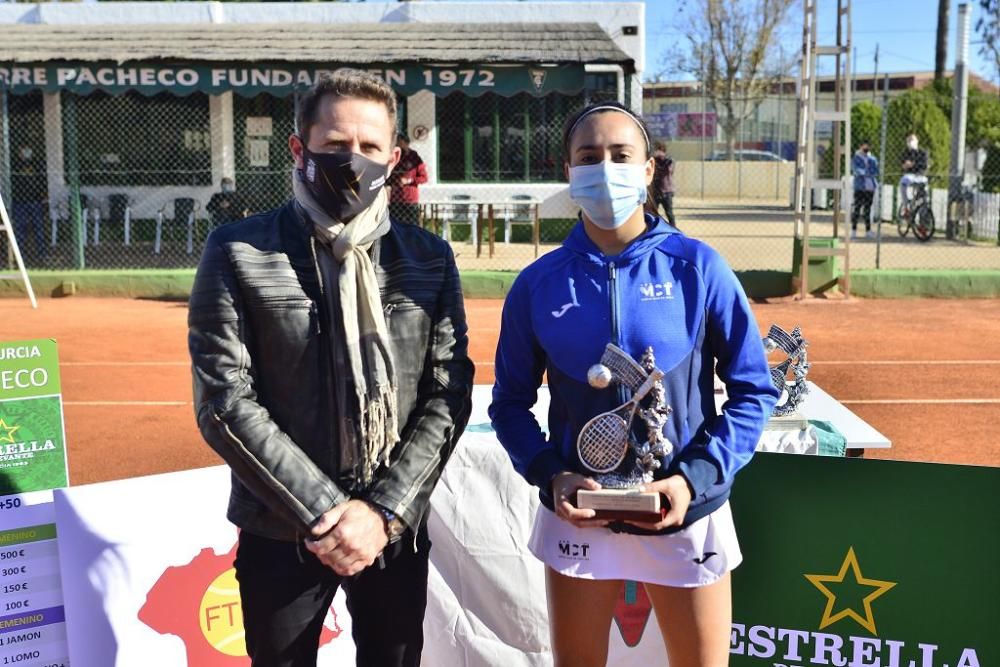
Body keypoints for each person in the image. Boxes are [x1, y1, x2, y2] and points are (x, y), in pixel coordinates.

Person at [188, 70, 474, 667]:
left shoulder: (427, 259)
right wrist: (325, 512)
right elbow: (224, 400)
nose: (354, 161)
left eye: (370, 148)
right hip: (281, 528)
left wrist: (383, 513)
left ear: (394, 159)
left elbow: (448, 392)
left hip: (392, 532)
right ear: (300, 148)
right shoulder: (239, 250)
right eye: (335, 145)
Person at [489, 101, 779, 667]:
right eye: (588, 156)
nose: (605, 169)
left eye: (622, 156)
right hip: (580, 517)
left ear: (649, 169)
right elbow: (509, 406)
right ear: (568, 172)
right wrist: (553, 476)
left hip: (684, 511)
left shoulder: (698, 267)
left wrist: (693, 482)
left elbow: (753, 391)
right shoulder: (537, 284)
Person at [10, 145, 48, 264]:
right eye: (23, 149)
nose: (26, 152)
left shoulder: (37, 164)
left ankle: (41, 253)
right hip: (19, 201)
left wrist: (44, 196)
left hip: (35, 200)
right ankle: (19, 254)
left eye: (27, 149)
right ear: (19, 151)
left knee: (39, 227)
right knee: (19, 228)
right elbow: (12, 182)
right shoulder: (14, 164)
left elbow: (42, 180)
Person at [387, 133, 427, 226]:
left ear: (406, 143)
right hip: (395, 199)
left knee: (412, 225)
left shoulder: (414, 158)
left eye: (399, 142)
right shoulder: (394, 156)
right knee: (394, 225)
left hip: (410, 200)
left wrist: (409, 180)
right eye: (396, 143)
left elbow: (424, 178)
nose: (397, 145)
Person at [851, 140, 878, 239]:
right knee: (857, 208)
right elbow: (856, 170)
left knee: (867, 209)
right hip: (860, 187)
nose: (866, 148)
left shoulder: (873, 158)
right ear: (861, 146)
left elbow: (875, 171)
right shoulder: (856, 157)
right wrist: (866, 173)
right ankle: (853, 230)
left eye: (868, 146)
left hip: (870, 187)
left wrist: (866, 173)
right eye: (865, 146)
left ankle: (868, 231)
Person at [899, 133, 929, 216]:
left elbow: (924, 165)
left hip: (921, 176)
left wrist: (912, 164)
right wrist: (908, 165)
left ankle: (924, 216)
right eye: (908, 140)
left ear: (917, 141)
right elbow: (903, 165)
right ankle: (906, 207)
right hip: (910, 176)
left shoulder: (923, 152)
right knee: (903, 182)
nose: (910, 142)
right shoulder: (905, 152)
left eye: (912, 140)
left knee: (924, 195)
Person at [650, 141, 676, 227]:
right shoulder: (653, 161)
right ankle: (653, 227)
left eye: (658, 150)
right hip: (656, 190)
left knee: (669, 212)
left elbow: (668, 171)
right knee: (653, 212)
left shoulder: (668, 161)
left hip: (666, 190)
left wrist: (662, 159)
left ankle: (673, 228)